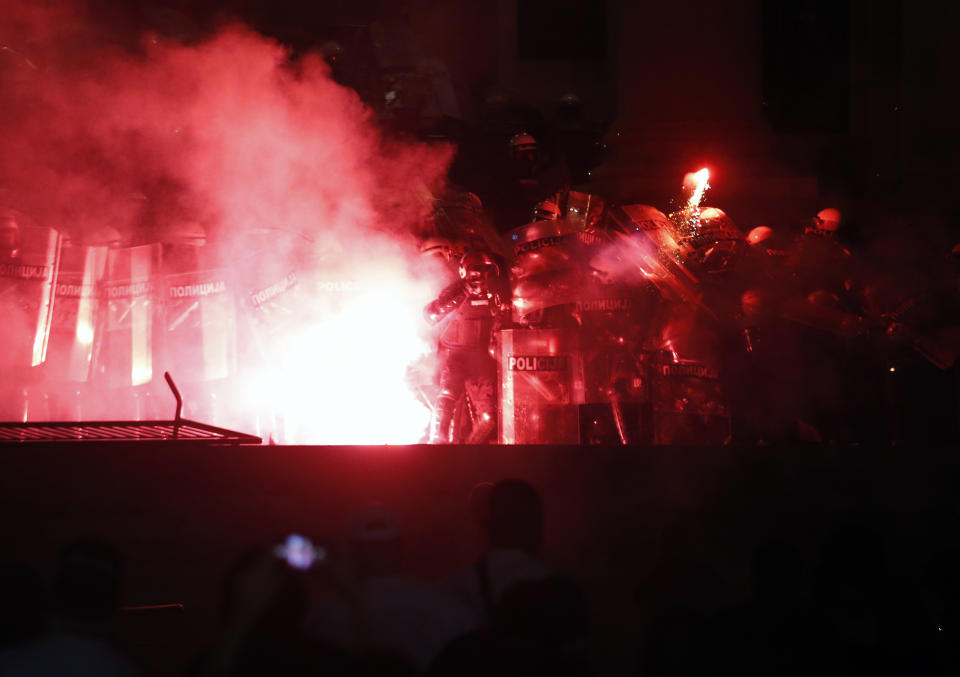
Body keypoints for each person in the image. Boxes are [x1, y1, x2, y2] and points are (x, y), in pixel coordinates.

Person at [423, 251, 509, 444]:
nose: (481, 277)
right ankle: (437, 447)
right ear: (465, 272)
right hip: (455, 357)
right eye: (476, 272)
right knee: (447, 399)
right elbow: (431, 315)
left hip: (482, 360)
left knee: (489, 419)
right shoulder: (454, 292)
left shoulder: (496, 295)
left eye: (486, 272)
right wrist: (463, 292)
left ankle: (470, 451)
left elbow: (506, 321)